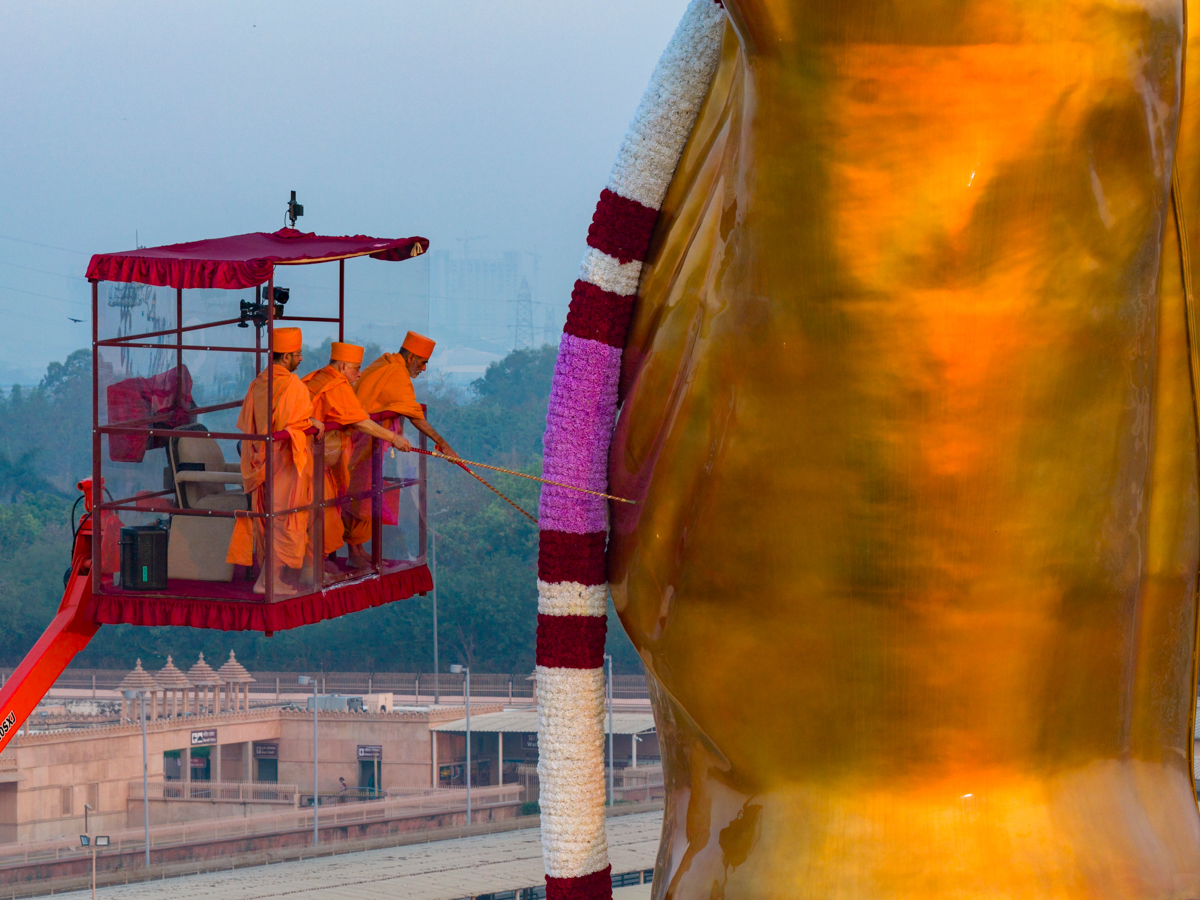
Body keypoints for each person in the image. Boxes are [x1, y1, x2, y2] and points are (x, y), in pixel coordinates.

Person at [343, 331, 457, 567]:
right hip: (361, 440)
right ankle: (353, 553)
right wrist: (443, 444)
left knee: (365, 493)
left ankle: (358, 549)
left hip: (368, 440)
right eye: (423, 362)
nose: (423, 369)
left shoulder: (386, 362)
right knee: (357, 494)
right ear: (411, 358)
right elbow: (415, 415)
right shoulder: (395, 371)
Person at [226, 327, 325, 595]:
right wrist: (311, 423)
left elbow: (255, 421)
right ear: (286, 357)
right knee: (285, 519)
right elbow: (288, 424)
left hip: (260, 461)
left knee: (271, 518)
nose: (301, 359)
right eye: (298, 354)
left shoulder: (259, 381)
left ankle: (270, 578)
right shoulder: (291, 384)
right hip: (283, 463)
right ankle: (267, 581)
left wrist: (307, 422)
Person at [301, 342, 411, 570]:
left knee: (323, 513)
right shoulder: (336, 385)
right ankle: (312, 571)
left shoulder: (317, 377)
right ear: (342, 367)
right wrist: (394, 439)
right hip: (311, 460)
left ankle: (314, 569)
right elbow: (360, 421)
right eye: (356, 368)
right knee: (324, 515)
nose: (360, 374)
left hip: (313, 459)